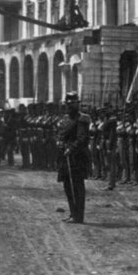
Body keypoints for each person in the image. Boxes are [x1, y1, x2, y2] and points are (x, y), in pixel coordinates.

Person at [56, 92, 91, 224]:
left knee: (77, 187)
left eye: (73, 103)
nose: (70, 105)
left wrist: (71, 149)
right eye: (68, 103)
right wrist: (58, 142)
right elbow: (60, 134)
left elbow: (82, 138)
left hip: (77, 158)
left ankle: (78, 216)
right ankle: (72, 213)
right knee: (67, 187)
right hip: (65, 158)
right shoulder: (65, 119)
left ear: (78, 103)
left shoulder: (82, 119)